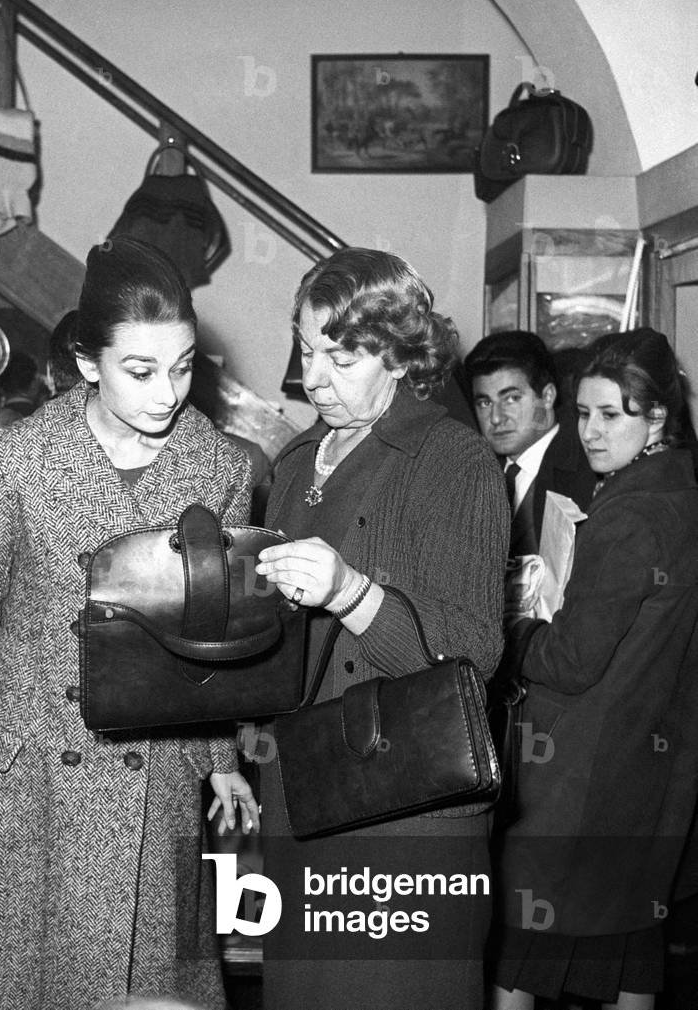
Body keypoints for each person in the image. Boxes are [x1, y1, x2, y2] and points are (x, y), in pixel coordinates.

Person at [0, 237, 259, 1010]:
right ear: (86, 363)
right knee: (28, 979)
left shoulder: (220, 466)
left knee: (154, 979)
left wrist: (220, 758)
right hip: (35, 760)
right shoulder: (14, 460)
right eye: (140, 371)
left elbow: (210, 637)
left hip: (157, 761)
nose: (166, 393)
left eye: (182, 367)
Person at [254, 247, 508, 1010]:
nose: (314, 377)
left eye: (342, 355)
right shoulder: (297, 459)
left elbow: (472, 652)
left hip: (405, 816)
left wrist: (351, 591)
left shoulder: (452, 457)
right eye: (306, 348)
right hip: (301, 795)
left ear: (400, 354)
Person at [490, 329, 698, 1010]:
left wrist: (513, 628)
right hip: (649, 772)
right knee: (630, 952)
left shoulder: (630, 513)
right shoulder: (679, 492)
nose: (590, 431)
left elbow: (574, 660)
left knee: (520, 953)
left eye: (611, 414)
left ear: (656, 416)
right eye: (582, 413)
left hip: (579, 772)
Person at [466, 330, 595, 556]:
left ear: (547, 397)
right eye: (485, 403)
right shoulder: (471, 473)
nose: (496, 418)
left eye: (512, 398)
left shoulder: (588, 468)